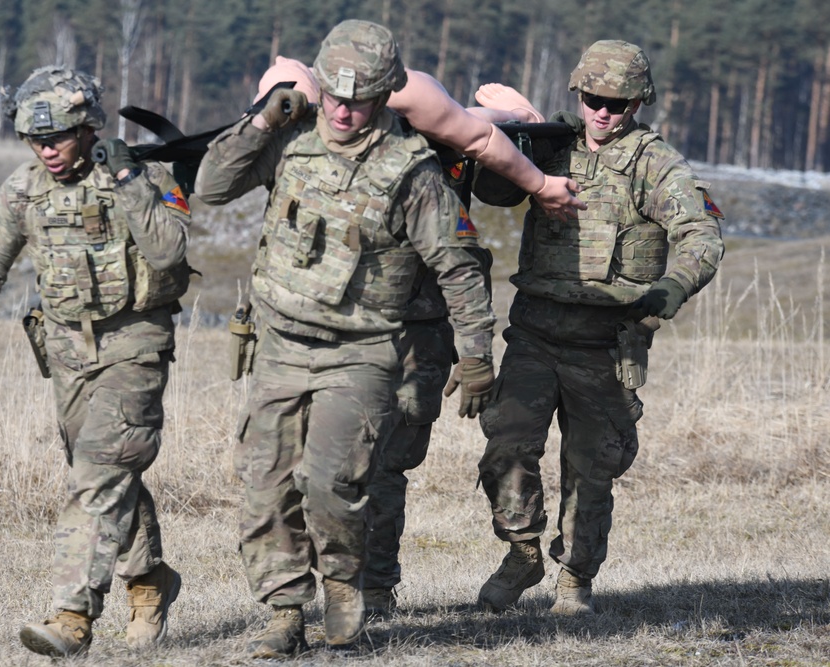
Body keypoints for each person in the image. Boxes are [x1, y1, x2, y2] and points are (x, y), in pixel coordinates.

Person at [195, 20, 496, 658]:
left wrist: (475, 355)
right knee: (265, 483)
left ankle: (340, 584)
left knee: (332, 484)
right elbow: (210, 188)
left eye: (358, 100)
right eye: (332, 95)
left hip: (358, 352)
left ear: (385, 96)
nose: (341, 110)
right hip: (280, 344)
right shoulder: (290, 141)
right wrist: (260, 121)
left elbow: (457, 268)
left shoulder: (411, 171)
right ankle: (282, 611)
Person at [252, 53, 577, 622]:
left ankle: (373, 591)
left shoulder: (412, 101)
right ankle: (317, 596)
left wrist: (540, 179)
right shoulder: (299, 133)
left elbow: (477, 140)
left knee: (385, 464)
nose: (339, 112)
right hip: (335, 326)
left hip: (415, 325)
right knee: (308, 465)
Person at [0, 66, 192, 657]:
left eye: (57, 138)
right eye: (35, 140)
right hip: (66, 353)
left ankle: (72, 615)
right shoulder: (25, 187)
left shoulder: (146, 175)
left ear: (88, 128)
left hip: (135, 344)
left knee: (99, 473)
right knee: (103, 473)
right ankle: (151, 582)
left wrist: (129, 178)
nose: (46, 150)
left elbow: (170, 252)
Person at [472, 40, 725, 616]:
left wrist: (670, 288)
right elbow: (494, 191)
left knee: (591, 473)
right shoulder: (551, 145)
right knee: (506, 451)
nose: (604, 112)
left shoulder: (654, 164)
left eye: (618, 102)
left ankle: (574, 579)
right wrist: (514, 143)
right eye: (593, 99)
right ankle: (522, 552)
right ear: (578, 94)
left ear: (638, 103)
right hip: (534, 335)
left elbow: (701, 237)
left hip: (605, 345)